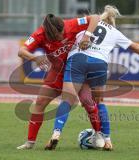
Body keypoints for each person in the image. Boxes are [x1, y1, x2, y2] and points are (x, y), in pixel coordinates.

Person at [46, 5, 139, 151]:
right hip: (99, 63)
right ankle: (107, 140)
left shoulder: (85, 24)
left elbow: (64, 34)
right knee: (100, 102)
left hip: (78, 59)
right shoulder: (114, 32)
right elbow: (134, 46)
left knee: (67, 99)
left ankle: (56, 133)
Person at [17, 13, 102, 150]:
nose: (62, 37)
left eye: (62, 33)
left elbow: (95, 17)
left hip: (76, 71)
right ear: (49, 34)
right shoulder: (39, 34)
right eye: (57, 36)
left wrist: (86, 36)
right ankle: (30, 143)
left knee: (88, 103)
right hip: (57, 72)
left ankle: (99, 135)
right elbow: (21, 51)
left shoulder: (71, 24)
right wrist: (35, 58)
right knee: (40, 102)